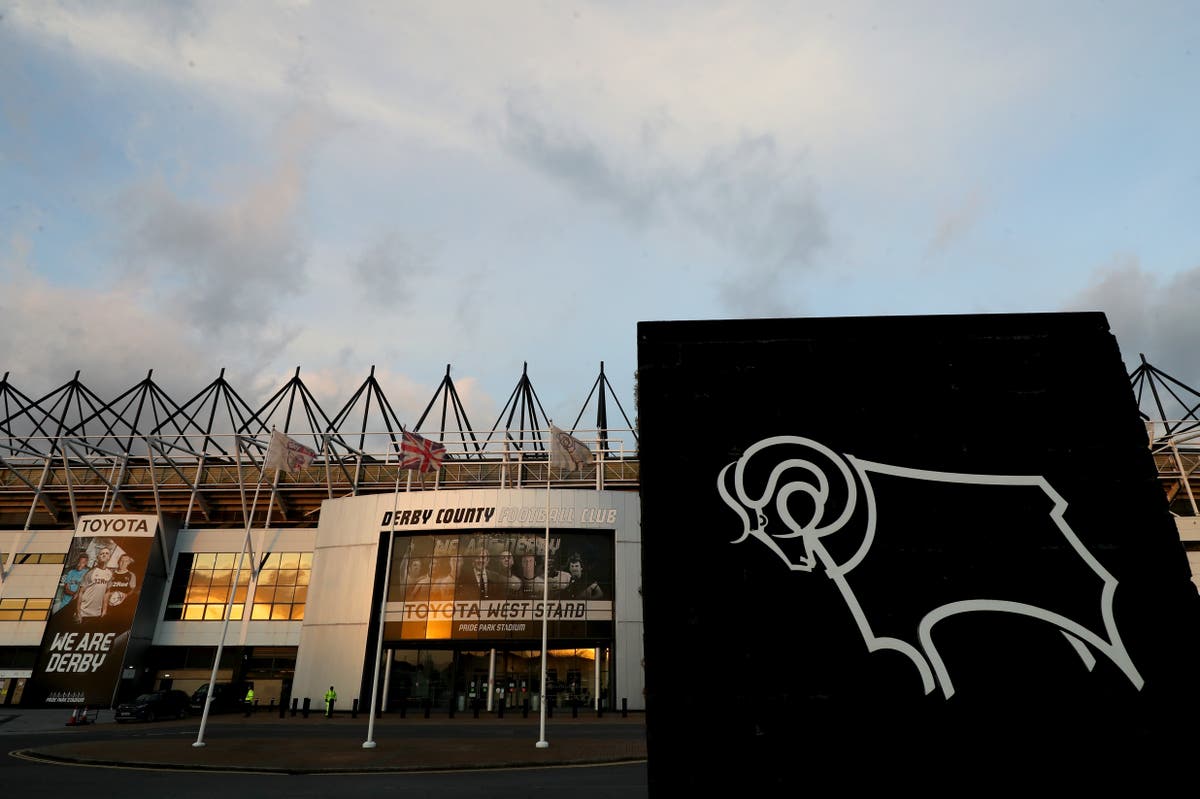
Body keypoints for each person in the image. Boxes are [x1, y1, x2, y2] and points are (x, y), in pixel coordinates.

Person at [74, 544, 114, 624]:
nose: (104, 555)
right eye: (101, 553)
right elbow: (80, 592)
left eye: (106, 553)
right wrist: (78, 612)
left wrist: (105, 610)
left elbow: (107, 592)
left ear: (109, 557)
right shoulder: (90, 572)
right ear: (98, 557)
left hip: (97, 614)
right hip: (83, 613)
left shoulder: (110, 573)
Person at [104, 554, 139, 619]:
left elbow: (132, 590)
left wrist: (126, 595)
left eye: (126, 561)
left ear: (129, 563)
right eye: (121, 560)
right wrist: (109, 594)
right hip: (107, 603)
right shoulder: (111, 573)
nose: (123, 563)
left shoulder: (131, 575)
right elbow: (106, 587)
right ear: (118, 561)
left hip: (122, 605)